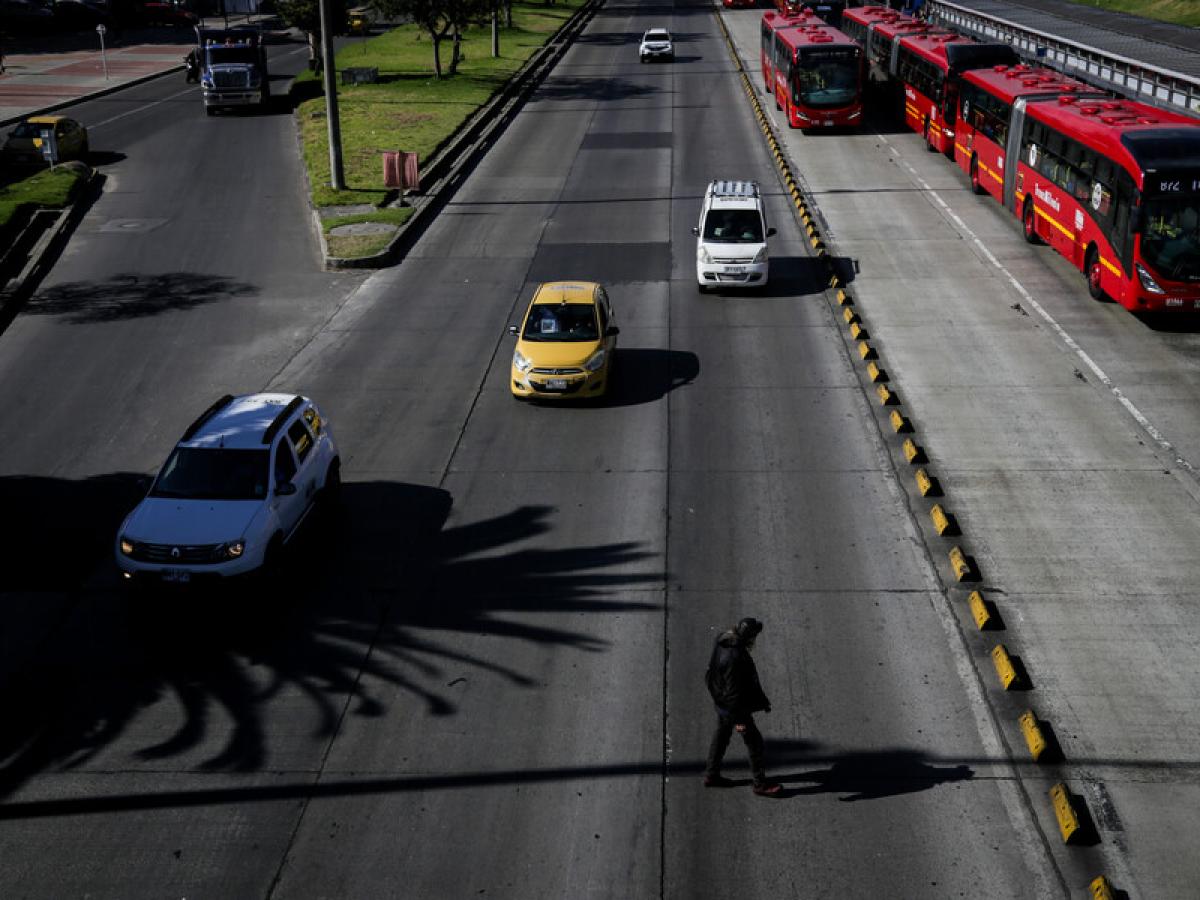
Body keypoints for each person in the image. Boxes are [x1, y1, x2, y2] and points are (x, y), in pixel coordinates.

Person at [704, 617, 782, 795]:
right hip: (734, 711)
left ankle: (711, 774)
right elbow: (734, 694)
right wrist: (739, 721)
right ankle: (760, 783)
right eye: (754, 636)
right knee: (754, 743)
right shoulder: (736, 658)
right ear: (749, 637)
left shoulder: (722, 640)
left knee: (722, 736)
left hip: (720, 700)